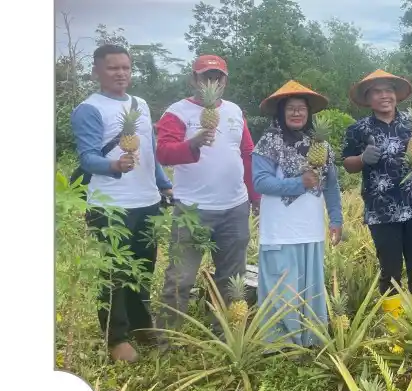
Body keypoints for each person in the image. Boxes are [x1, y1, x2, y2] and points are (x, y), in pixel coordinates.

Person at [71, 44, 172, 362]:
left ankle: (142, 327)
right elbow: (87, 158)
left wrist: (164, 185)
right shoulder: (89, 109)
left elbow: (152, 153)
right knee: (113, 272)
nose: (120, 73)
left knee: (142, 268)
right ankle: (117, 338)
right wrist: (114, 166)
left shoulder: (140, 104)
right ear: (96, 72)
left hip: (147, 201)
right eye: (113, 68)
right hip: (110, 205)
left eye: (125, 68)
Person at [155, 54, 258, 331]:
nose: (212, 81)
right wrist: (193, 143)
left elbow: (247, 153)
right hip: (192, 209)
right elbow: (163, 152)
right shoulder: (177, 112)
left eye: (218, 77)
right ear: (194, 79)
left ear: (225, 81)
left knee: (231, 276)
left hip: (235, 207)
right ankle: (166, 339)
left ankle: (223, 333)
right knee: (180, 278)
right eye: (206, 76)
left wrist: (255, 197)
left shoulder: (235, 111)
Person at [252, 80, 343, 346]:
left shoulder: (320, 144)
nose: (296, 113)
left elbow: (332, 185)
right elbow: (259, 181)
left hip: (311, 228)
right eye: (290, 108)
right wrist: (298, 183)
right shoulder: (269, 140)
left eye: (301, 108)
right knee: (281, 288)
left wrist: (336, 219)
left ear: (309, 113)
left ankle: (310, 340)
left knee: (309, 287)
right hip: (279, 229)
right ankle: (279, 345)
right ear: (280, 112)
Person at [343, 70, 412, 311]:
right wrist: (362, 158)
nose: (384, 95)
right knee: (390, 271)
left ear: (396, 95)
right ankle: (393, 330)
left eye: (389, 90)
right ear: (368, 98)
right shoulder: (358, 129)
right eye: (377, 91)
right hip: (380, 210)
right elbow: (347, 164)